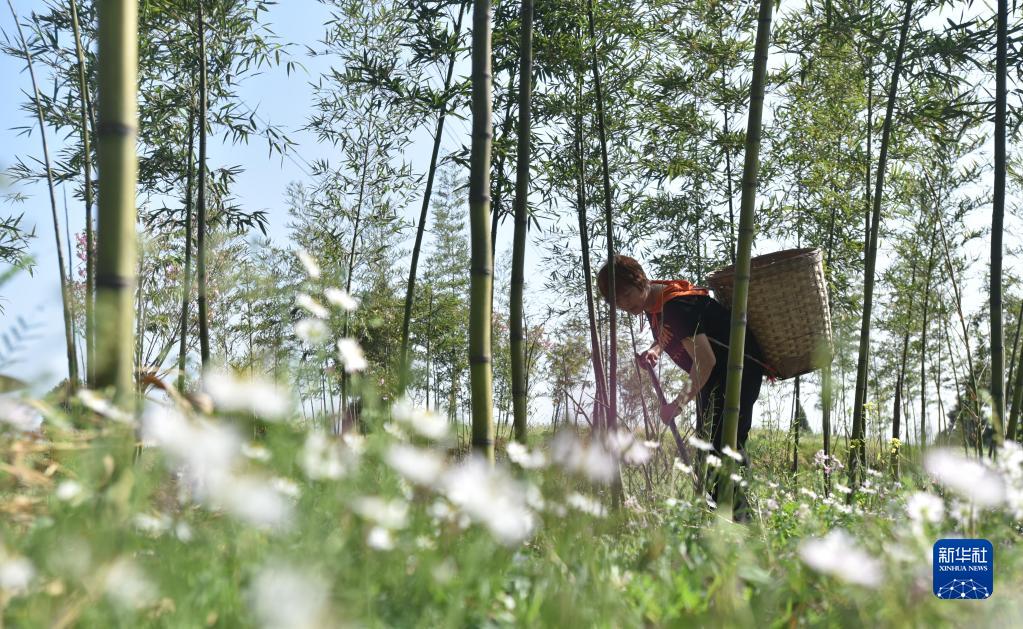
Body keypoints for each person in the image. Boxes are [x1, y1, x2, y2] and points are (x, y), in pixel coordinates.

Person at [596, 254, 766, 522]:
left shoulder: (675, 305)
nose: (625, 305)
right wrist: (654, 350)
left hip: (737, 372)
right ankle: (728, 520)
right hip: (714, 378)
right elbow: (672, 333)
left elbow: (705, 361)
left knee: (724, 448)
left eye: (626, 295)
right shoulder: (655, 303)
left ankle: (745, 524)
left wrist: (676, 405)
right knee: (707, 453)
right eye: (618, 302)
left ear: (640, 280)